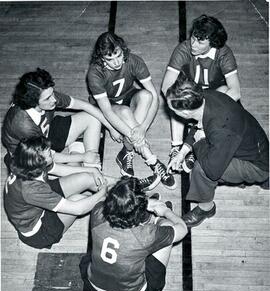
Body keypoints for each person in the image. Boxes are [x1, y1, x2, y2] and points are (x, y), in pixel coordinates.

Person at [166, 72, 269, 228]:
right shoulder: (205, 97)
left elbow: (212, 171)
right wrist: (182, 153)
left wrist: (200, 142)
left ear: (185, 113)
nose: (171, 112)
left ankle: (206, 209)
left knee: (201, 170)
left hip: (257, 165)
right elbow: (199, 125)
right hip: (253, 145)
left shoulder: (221, 127)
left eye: (173, 110)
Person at [80, 177, 187, 291]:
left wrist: (138, 203)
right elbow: (182, 229)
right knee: (166, 228)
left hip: (96, 285)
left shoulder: (97, 212)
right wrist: (164, 211)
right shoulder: (146, 236)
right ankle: (152, 220)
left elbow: (106, 197)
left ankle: (144, 217)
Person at [87, 31, 176, 190]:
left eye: (119, 55)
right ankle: (152, 160)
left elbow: (155, 96)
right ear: (101, 58)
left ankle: (126, 152)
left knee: (146, 96)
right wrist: (111, 127)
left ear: (122, 49)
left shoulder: (134, 60)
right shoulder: (95, 73)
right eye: (110, 59)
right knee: (126, 113)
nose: (116, 62)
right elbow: (106, 111)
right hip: (106, 105)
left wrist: (142, 129)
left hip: (127, 96)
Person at [2, 68, 121, 170]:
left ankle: (92, 166)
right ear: (33, 102)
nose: (54, 99)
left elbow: (85, 105)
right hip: (31, 160)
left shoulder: (44, 93)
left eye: (52, 94)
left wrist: (111, 127)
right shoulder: (23, 125)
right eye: (48, 98)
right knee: (75, 181)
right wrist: (83, 157)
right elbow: (47, 156)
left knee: (92, 117)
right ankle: (81, 157)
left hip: (46, 135)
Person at [161, 14, 241, 167]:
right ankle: (176, 146)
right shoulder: (184, 49)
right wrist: (182, 102)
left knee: (225, 91)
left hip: (213, 97)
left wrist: (208, 113)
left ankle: (200, 142)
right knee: (175, 94)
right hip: (191, 95)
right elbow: (166, 86)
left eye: (200, 41)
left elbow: (236, 91)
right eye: (193, 37)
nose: (193, 44)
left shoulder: (223, 53)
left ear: (213, 42)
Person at [3, 136, 108, 249]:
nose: (52, 153)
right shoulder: (31, 189)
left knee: (85, 178)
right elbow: (78, 209)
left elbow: (61, 170)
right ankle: (118, 205)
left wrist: (92, 170)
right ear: (39, 161)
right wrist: (101, 192)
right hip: (39, 232)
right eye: (48, 153)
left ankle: (122, 184)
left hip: (37, 203)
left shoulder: (26, 164)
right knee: (78, 199)